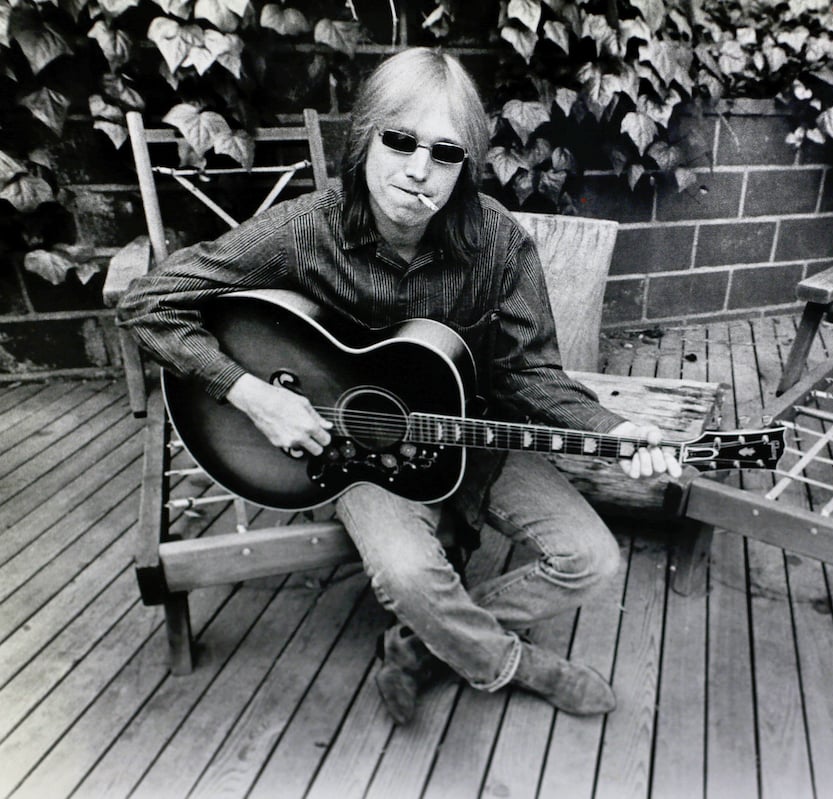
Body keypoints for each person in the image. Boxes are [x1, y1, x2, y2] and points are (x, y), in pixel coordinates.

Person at [117, 48, 681, 724]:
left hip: (472, 433)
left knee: (592, 559)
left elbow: (529, 374)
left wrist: (615, 433)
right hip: (349, 456)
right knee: (409, 571)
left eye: (445, 153)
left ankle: (422, 643)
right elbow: (149, 302)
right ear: (365, 140)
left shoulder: (498, 244)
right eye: (401, 140)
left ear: (465, 166)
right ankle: (513, 662)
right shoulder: (306, 231)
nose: (419, 171)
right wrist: (253, 394)